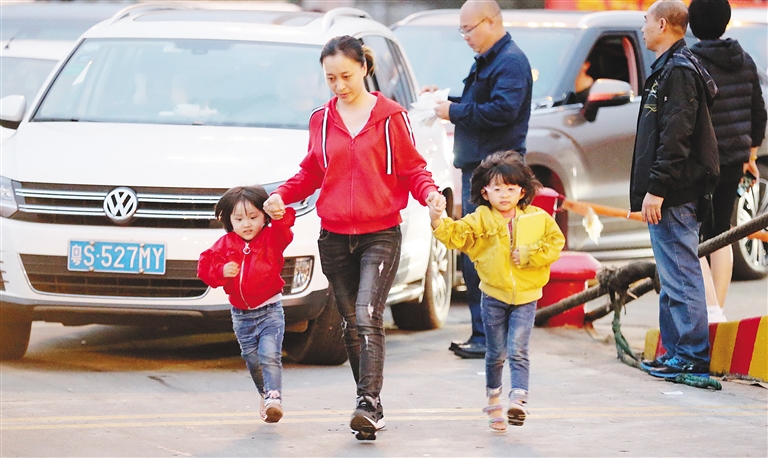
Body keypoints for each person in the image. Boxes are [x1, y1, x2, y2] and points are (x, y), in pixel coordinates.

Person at [262, 35, 445, 440]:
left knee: (367, 314)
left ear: (364, 67)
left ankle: (369, 403)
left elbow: (413, 169)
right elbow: (311, 171)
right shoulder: (322, 119)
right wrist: (281, 195)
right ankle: (368, 403)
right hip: (333, 237)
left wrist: (431, 194)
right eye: (331, 78)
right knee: (350, 323)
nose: (339, 85)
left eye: (346, 75)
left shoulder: (392, 117)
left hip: (380, 234)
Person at [422, 0, 533, 359]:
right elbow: (482, 102)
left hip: (496, 174)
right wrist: (443, 101)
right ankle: (484, 333)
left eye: (468, 29)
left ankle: (490, 337)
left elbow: (503, 110)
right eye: (462, 30)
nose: (465, 36)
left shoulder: (510, 62)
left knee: (485, 253)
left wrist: (454, 111)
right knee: (478, 251)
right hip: (481, 170)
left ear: (490, 22)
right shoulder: (489, 60)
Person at [428, 151, 564, 432]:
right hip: (492, 297)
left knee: (518, 350)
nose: (504, 195)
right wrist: (437, 220)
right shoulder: (480, 219)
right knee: (496, 353)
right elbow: (456, 235)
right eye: (498, 188)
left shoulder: (538, 218)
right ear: (485, 192)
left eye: (511, 189)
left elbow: (555, 243)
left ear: (522, 191)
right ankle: (494, 400)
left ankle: (518, 400)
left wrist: (529, 254)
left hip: (527, 297)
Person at [632, 0, 720, 378]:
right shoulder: (670, 67)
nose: (642, 28)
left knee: (682, 276)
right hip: (671, 191)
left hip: (676, 193)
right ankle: (675, 353)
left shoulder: (679, 70)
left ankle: (691, 356)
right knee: (672, 278)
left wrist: (657, 188)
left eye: (646, 21)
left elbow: (676, 137)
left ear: (663, 25)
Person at [688, 0, 767, 323]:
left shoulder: (690, 61)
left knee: (691, 235)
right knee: (722, 231)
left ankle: (711, 312)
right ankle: (717, 310)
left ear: (692, 24)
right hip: (734, 160)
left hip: (698, 163)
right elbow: (759, 112)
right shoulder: (743, 59)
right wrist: (751, 154)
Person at [197, 185, 296, 424]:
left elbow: (285, 229)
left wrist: (278, 213)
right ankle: (265, 393)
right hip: (241, 316)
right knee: (252, 359)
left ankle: (274, 398)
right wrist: (221, 271)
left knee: (269, 354)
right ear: (229, 221)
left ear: (264, 216)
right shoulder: (225, 244)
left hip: (270, 310)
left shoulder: (272, 238)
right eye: (239, 219)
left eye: (253, 217)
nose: (247, 224)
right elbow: (204, 267)